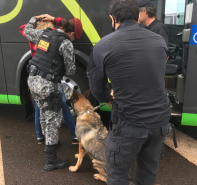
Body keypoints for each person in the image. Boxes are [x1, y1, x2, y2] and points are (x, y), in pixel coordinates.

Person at [87, 0, 171, 184]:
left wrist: (109, 96)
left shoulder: (102, 45)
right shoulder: (158, 40)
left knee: (117, 174)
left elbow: (96, 88)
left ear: (113, 18)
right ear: (138, 16)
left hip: (130, 122)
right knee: (148, 172)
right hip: (160, 121)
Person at [23, 14, 82, 171]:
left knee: (43, 113)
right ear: (72, 33)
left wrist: (34, 18)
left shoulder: (45, 33)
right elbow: (70, 69)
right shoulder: (66, 43)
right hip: (48, 86)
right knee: (52, 121)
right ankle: (51, 161)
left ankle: (49, 144)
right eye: (75, 37)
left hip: (32, 80)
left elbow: (27, 30)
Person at [138, 0, 170, 158]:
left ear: (144, 11)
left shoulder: (158, 28)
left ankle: (158, 150)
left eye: (138, 11)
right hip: (147, 78)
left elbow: (164, 55)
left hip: (153, 79)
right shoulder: (147, 28)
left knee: (156, 112)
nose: (136, 14)